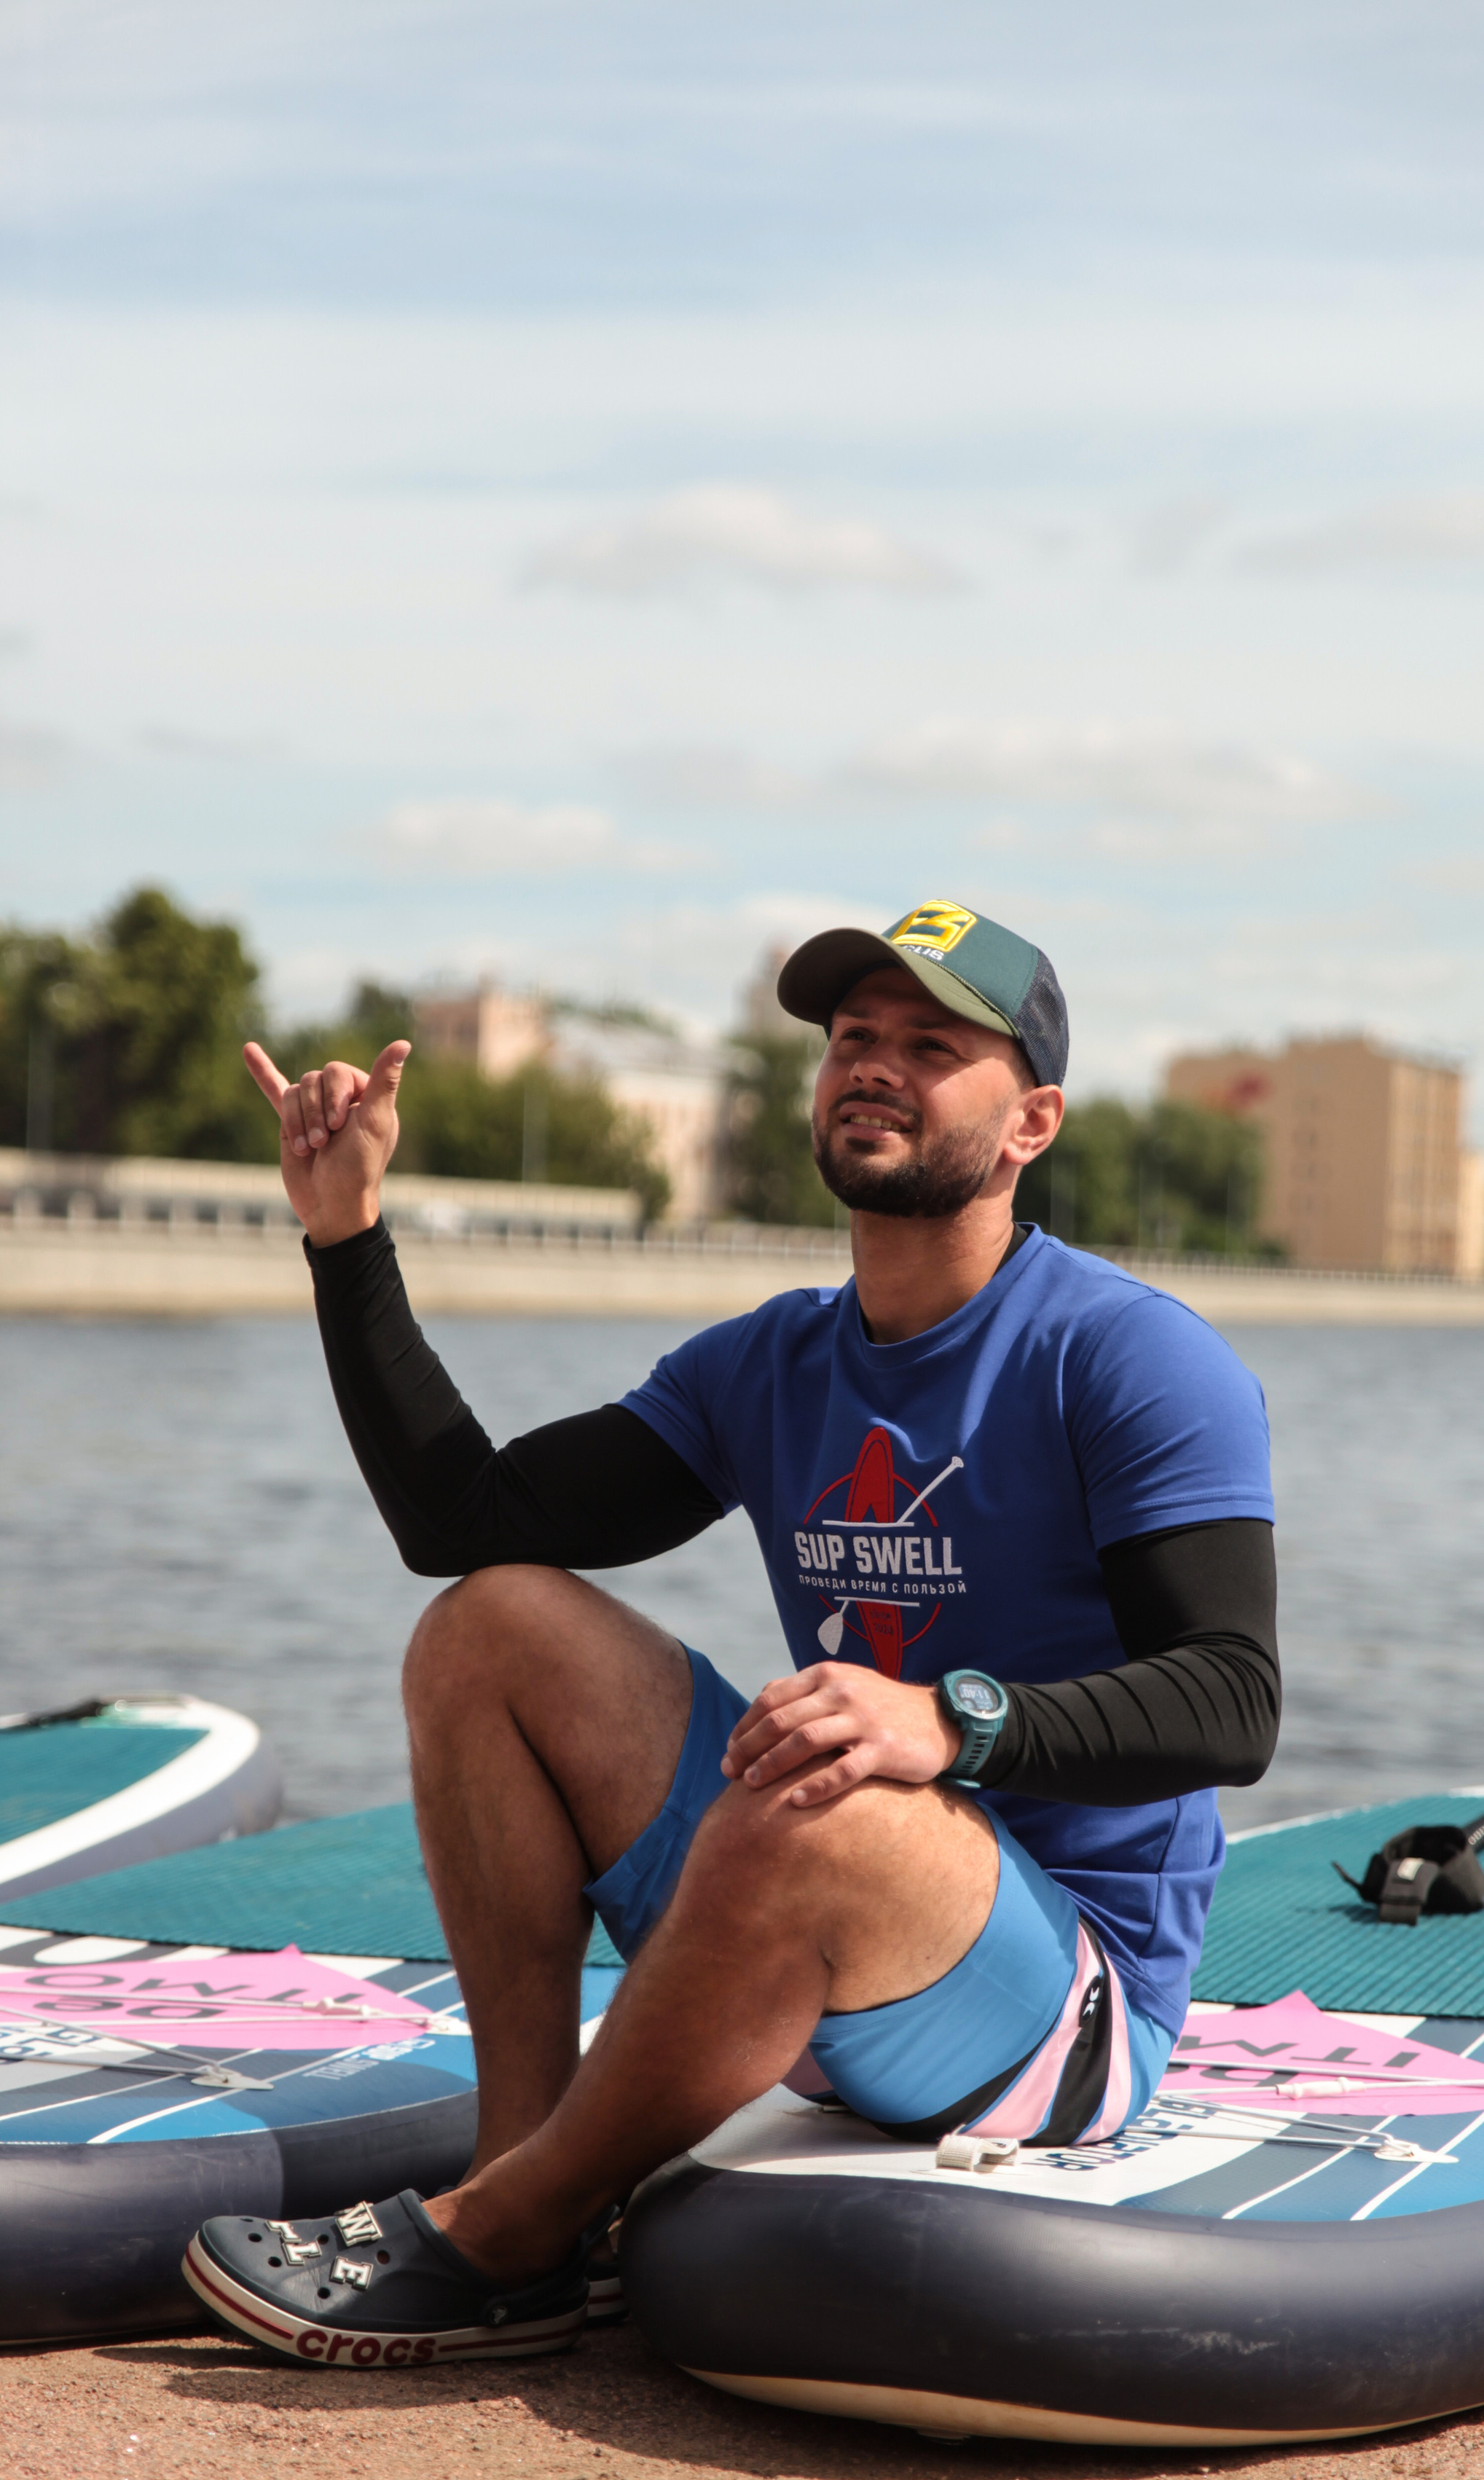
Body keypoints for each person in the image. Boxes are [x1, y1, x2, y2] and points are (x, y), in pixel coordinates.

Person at [182, 902, 1279, 2369]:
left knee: (827, 1778)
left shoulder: (1127, 1354)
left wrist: (949, 1721)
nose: (873, 1067)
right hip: (829, 1913)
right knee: (487, 1624)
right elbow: (460, 1521)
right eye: (851, 1041)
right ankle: (528, 2193)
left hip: (1057, 2020)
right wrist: (346, 1239)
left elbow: (1230, 1702)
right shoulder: (767, 1363)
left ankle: (508, 2226)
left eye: (930, 1047)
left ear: (1030, 1120)